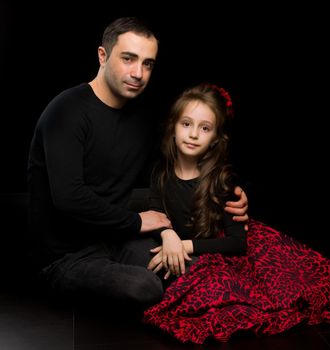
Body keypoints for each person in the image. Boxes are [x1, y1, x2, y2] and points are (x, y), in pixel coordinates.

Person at [142, 83, 330, 344]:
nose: (194, 134)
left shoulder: (222, 181)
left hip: (251, 252)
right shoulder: (160, 175)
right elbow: (151, 207)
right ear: (173, 127)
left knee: (313, 289)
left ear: (215, 139)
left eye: (204, 128)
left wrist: (187, 245)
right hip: (205, 254)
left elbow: (238, 244)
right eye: (187, 124)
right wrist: (170, 236)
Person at [26, 17, 248, 310]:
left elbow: (170, 171)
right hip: (65, 254)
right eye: (129, 59)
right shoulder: (66, 111)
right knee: (145, 287)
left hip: (116, 238)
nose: (138, 73)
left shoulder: (141, 117)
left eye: (148, 64)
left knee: (193, 273)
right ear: (102, 56)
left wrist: (229, 194)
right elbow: (69, 198)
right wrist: (138, 221)